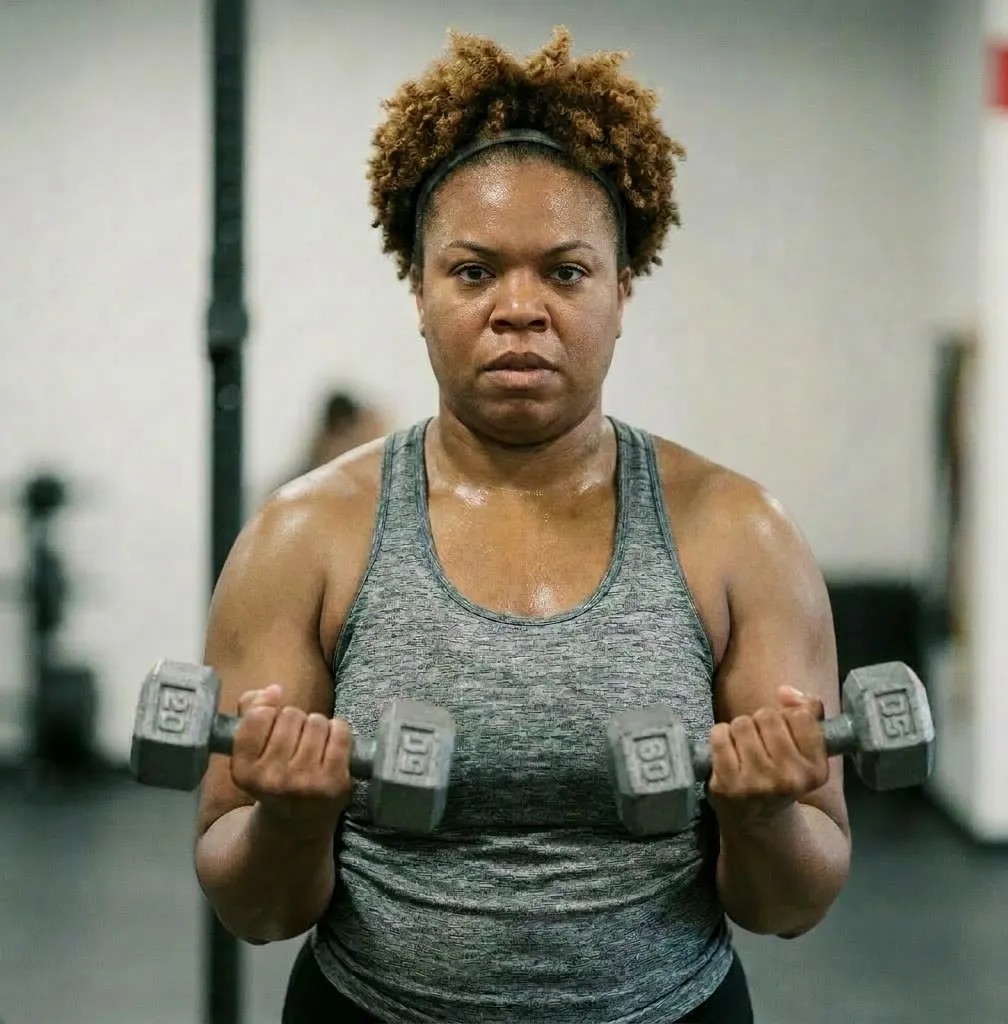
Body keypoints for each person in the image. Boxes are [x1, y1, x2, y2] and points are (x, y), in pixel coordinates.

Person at [194, 27, 851, 1024]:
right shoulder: (302, 538)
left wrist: (757, 811)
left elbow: (792, 901)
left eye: (566, 272)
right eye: (471, 271)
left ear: (623, 288)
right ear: (418, 290)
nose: (518, 309)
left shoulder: (739, 533)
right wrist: (291, 815)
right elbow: (252, 906)